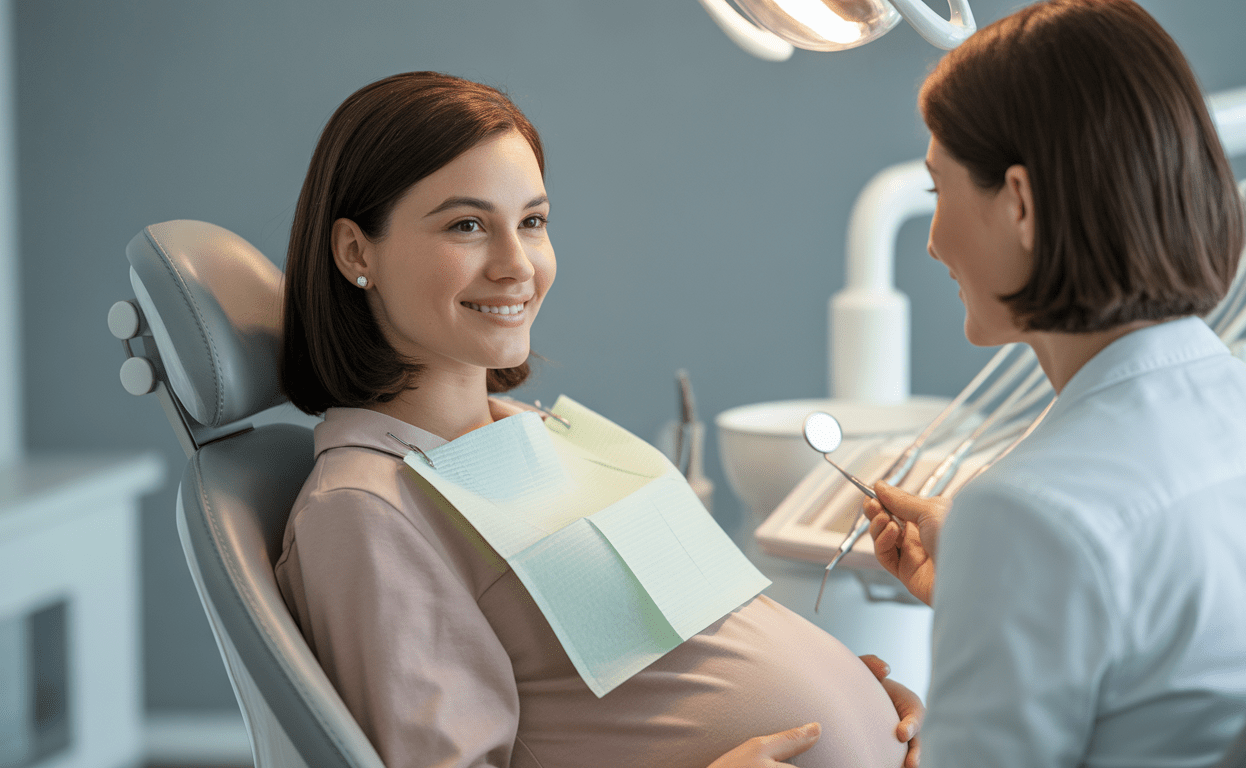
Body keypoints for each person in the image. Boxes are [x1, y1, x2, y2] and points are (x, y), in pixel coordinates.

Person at [275, 71, 921, 768]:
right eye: (467, 225)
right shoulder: (365, 508)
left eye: (532, 222)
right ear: (354, 251)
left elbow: (669, 665)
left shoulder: (541, 431)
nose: (516, 264)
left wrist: (856, 694)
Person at [862, 1, 1246, 766]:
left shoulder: (1024, 513)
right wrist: (991, 587)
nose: (930, 240)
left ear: (1019, 203)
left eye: (937, 191)